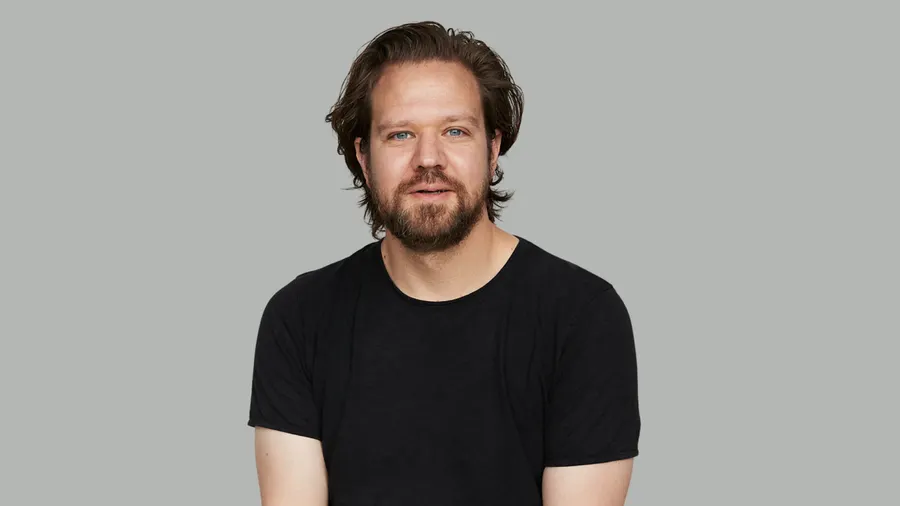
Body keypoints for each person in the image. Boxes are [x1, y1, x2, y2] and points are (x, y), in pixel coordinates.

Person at [247, 20, 641, 506]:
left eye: (455, 131)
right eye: (400, 134)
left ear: (492, 149)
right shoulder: (299, 318)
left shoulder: (583, 316)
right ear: (364, 157)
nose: (428, 158)